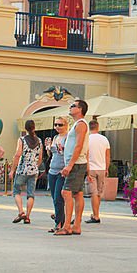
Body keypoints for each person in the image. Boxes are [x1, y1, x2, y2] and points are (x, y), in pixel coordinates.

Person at [56, 99, 89, 236]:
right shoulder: (78, 124)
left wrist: (69, 165)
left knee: (66, 192)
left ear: (80, 109)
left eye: (73, 106)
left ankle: (67, 226)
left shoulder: (81, 124)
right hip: (78, 163)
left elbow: (79, 145)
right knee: (77, 193)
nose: (70, 108)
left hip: (76, 164)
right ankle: (76, 226)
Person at [10, 120, 43, 224]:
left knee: (16, 191)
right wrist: (35, 166)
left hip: (22, 169)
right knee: (30, 194)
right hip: (33, 170)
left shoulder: (22, 140)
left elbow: (17, 154)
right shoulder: (39, 141)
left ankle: (21, 212)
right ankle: (28, 216)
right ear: (34, 127)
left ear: (25, 128)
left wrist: (12, 170)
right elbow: (40, 157)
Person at [85, 120, 110, 224]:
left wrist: (86, 169)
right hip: (101, 168)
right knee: (99, 193)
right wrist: (107, 168)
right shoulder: (104, 139)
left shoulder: (87, 139)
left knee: (93, 193)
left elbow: (85, 154)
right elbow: (107, 155)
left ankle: (95, 216)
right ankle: (96, 213)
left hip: (91, 168)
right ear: (98, 127)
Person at [46, 118, 68, 233]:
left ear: (66, 125)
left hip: (62, 171)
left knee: (58, 198)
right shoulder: (55, 138)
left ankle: (59, 223)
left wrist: (61, 150)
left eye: (60, 125)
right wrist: (48, 148)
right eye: (56, 125)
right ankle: (60, 221)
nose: (58, 127)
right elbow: (52, 154)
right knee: (54, 198)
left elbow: (68, 153)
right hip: (52, 170)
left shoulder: (68, 137)